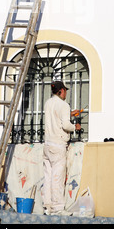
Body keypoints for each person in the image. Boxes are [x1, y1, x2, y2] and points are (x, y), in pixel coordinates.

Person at [42, 80, 81, 215]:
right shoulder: (63, 105)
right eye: (64, 90)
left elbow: (55, 117)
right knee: (57, 177)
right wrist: (74, 127)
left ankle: (47, 206)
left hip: (47, 145)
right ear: (61, 91)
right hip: (58, 145)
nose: (65, 93)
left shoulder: (48, 103)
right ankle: (58, 208)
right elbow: (65, 125)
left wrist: (70, 114)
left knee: (48, 176)